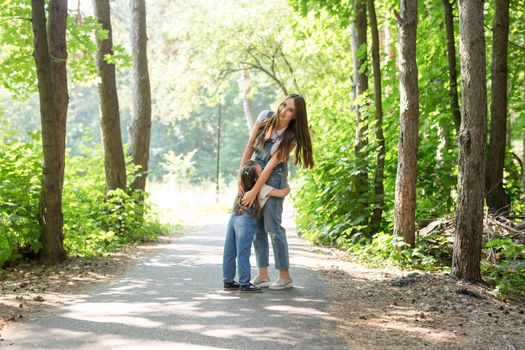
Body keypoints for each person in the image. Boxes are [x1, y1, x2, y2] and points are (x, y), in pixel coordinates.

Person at [239, 94, 314, 290]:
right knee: (257, 227)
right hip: (254, 172)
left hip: (274, 177)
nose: (283, 111)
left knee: (273, 226)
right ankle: (263, 275)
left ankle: (285, 276)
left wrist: (254, 191)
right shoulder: (264, 117)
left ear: (295, 116)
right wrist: (241, 177)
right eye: (283, 105)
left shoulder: (291, 138)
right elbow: (249, 147)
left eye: (290, 110)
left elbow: (271, 165)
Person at [222, 160, 291, 293]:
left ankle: (228, 281)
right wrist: (288, 187)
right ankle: (244, 283)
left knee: (229, 251)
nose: (264, 171)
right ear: (256, 178)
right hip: (246, 221)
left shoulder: (242, 186)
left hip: (234, 217)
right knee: (243, 253)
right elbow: (283, 192)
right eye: (262, 171)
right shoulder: (262, 188)